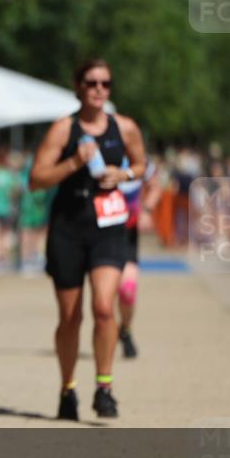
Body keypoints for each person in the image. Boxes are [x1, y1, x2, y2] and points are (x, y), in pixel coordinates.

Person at [29, 58, 147, 421]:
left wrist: (123, 172)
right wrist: (74, 164)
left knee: (103, 308)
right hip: (68, 226)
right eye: (92, 83)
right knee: (70, 317)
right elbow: (36, 179)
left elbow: (143, 165)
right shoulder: (63, 130)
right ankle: (68, 389)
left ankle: (105, 387)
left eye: (105, 84)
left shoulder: (124, 127)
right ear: (78, 86)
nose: (99, 90)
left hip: (108, 228)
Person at [114, 153, 161, 358]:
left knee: (127, 289)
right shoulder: (93, 151)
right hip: (96, 231)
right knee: (103, 297)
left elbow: (155, 186)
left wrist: (147, 210)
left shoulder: (139, 156)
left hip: (127, 233)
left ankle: (125, 329)